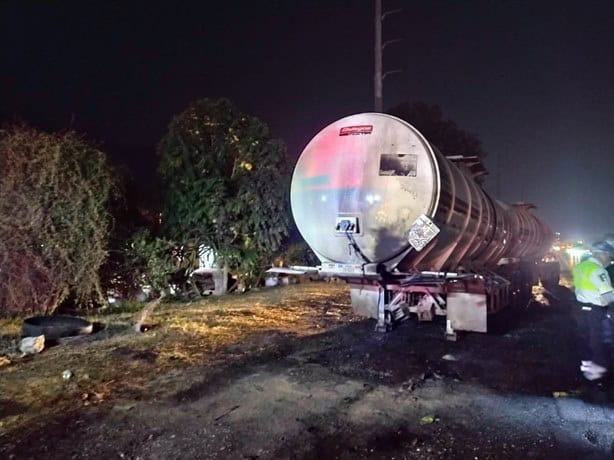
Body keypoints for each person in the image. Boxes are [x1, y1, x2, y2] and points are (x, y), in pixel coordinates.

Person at [572, 241, 614, 384]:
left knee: (586, 340)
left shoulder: (580, 267)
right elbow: (608, 294)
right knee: (599, 341)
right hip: (595, 312)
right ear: (602, 254)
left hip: (581, 309)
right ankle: (598, 378)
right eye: (609, 255)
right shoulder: (598, 270)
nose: (610, 259)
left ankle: (587, 371)